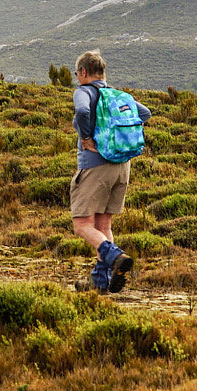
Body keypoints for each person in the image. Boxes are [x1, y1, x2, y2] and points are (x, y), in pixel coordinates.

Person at [71, 50, 151, 293]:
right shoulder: (118, 95)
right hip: (122, 167)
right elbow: (144, 113)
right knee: (103, 225)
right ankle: (101, 281)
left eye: (77, 73)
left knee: (82, 225)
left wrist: (86, 137)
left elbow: (83, 112)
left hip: (96, 167)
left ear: (84, 73)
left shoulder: (84, 91)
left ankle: (115, 256)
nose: (77, 77)